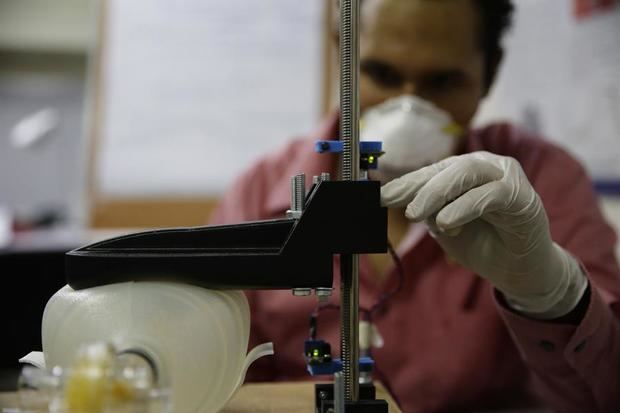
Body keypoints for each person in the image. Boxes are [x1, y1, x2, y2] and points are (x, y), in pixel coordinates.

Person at [210, 0, 620, 412]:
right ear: (343, 54)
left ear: (489, 72)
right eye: (381, 74)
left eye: (442, 82)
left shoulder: (545, 182)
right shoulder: (260, 195)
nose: (407, 110)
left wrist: (552, 296)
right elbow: (209, 385)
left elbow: (603, 395)